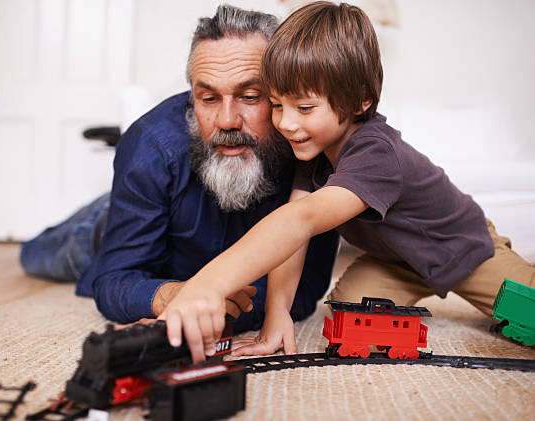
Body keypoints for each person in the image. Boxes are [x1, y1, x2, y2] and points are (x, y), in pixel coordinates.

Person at [160, 1, 535, 362]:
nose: (287, 123)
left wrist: (208, 284)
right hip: (394, 261)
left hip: (463, 251)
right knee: (350, 323)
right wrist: (277, 314)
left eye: (305, 108)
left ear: (359, 102)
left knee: (526, 310)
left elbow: (299, 220)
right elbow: (295, 235)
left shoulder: (376, 152)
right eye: (276, 105)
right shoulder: (311, 146)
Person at [20, 5, 339, 336]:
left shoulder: (311, 149)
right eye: (209, 98)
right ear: (192, 97)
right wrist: (171, 296)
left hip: (160, 207)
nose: (228, 121)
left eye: (249, 95)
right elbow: (115, 279)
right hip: (100, 233)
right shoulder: (150, 143)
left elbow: (308, 288)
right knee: (32, 256)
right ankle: (110, 206)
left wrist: (218, 304)